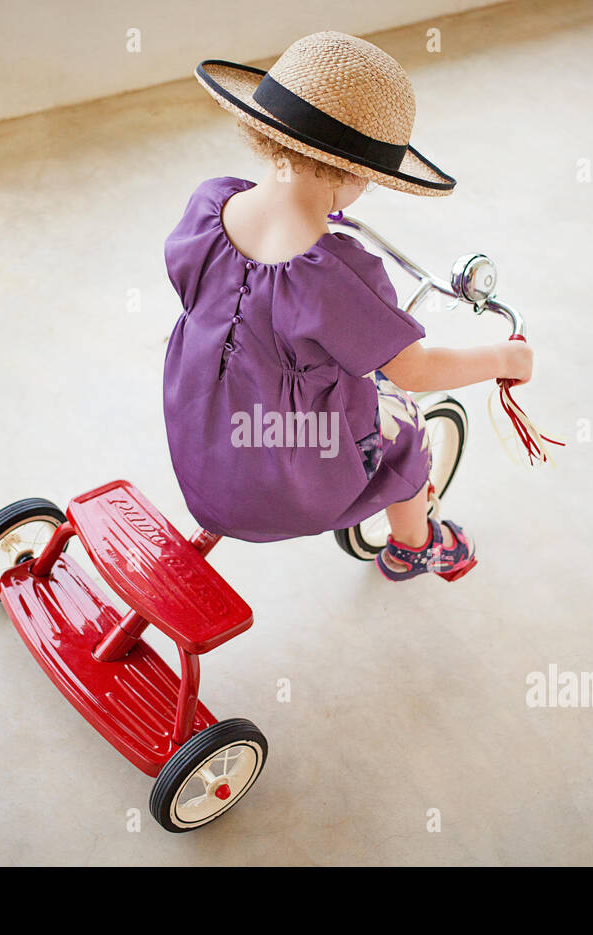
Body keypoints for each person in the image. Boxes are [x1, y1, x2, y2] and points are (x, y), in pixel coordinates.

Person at [163, 32, 533, 581]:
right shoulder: (337, 274)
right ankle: (416, 545)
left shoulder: (209, 202)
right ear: (358, 174)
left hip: (197, 434)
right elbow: (414, 368)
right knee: (404, 431)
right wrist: (505, 360)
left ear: (268, 134)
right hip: (280, 482)